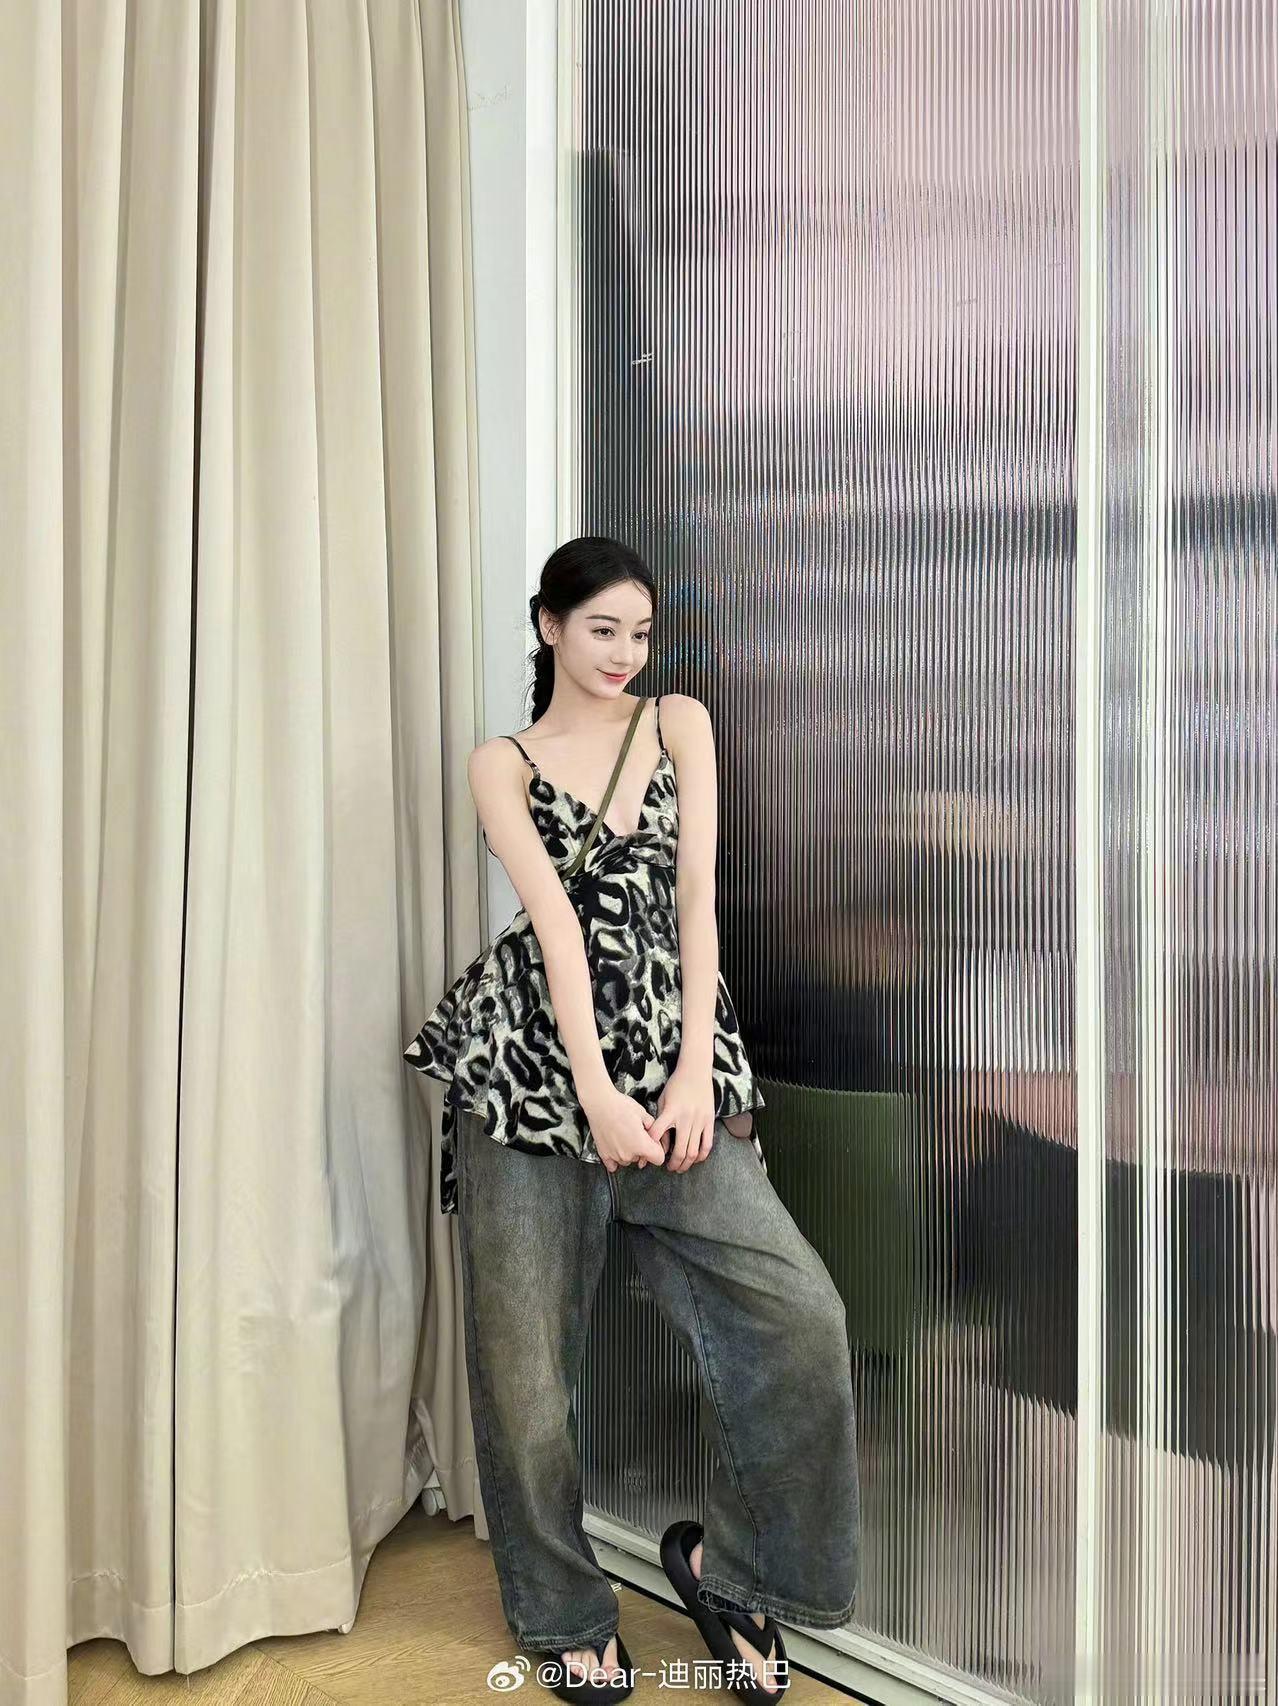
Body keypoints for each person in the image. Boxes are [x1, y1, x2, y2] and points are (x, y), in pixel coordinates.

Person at [404, 537, 860, 1703]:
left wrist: (695, 1071)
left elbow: (696, 900)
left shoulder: (678, 722)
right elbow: (556, 929)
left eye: (640, 632)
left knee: (798, 1313)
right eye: (601, 627)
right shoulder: (500, 762)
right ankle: (561, 1609)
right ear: (549, 624)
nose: (624, 652)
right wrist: (596, 1090)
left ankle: (733, 1572)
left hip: (675, 1064)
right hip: (529, 1072)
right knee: (524, 1369)